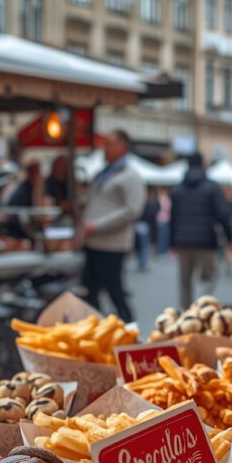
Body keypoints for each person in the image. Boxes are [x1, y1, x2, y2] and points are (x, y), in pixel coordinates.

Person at [80, 129, 146, 322]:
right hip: (94, 243)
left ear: (122, 147)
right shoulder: (104, 173)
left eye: (109, 144)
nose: (104, 148)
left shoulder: (130, 176)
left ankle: (131, 333)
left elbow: (133, 210)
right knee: (90, 293)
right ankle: (96, 332)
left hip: (111, 246)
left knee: (115, 292)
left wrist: (97, 225)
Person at [170, 152, 232, 308]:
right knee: (208, 278)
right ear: (203, 164)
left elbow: (173, 218)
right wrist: (229, 238)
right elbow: (223, 214)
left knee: (185, 281)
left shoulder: (178, 189)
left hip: (182, 240)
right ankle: (201, 309)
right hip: (206, 240)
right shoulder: (212, 187)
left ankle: (186, 314)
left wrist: (172, 241)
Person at [156, 189, 171, 255]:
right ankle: (162, 252)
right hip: (163, 220)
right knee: (163, 237)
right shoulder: (163, 200)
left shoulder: (162, 199)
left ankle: (162, 251)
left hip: (163, 220)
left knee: (163, 237)